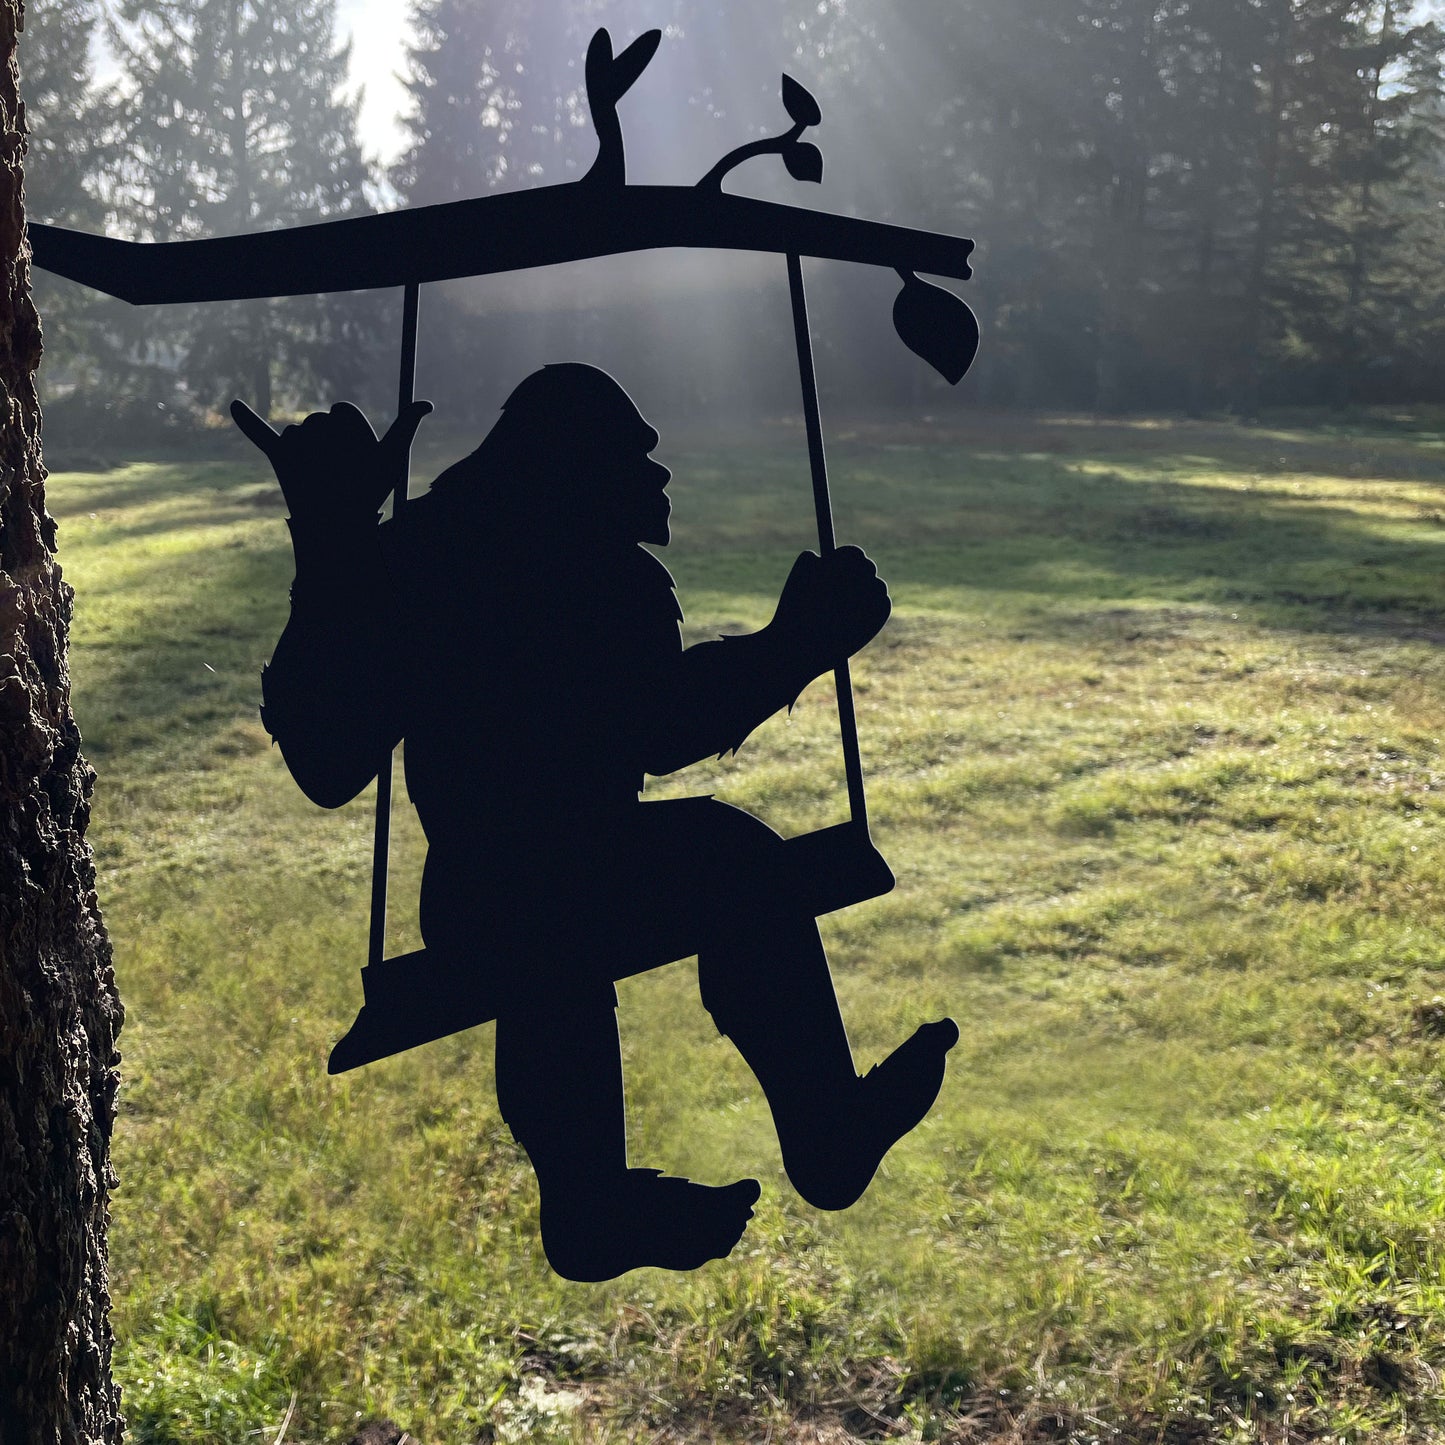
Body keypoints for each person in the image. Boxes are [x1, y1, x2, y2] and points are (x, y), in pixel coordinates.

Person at [233, 363, 958, 1282]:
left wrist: (797, 644)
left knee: (729, 855)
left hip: (576, 863)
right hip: (492, 888)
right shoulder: (430, 564)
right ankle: (589, 1202)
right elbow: (331, 760)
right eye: (631, 459)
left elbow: (651, 725)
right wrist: (331, 540)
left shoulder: (529, 566)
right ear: (568, 472)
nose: (655, 481)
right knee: (552, 928)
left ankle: (826, 1127)